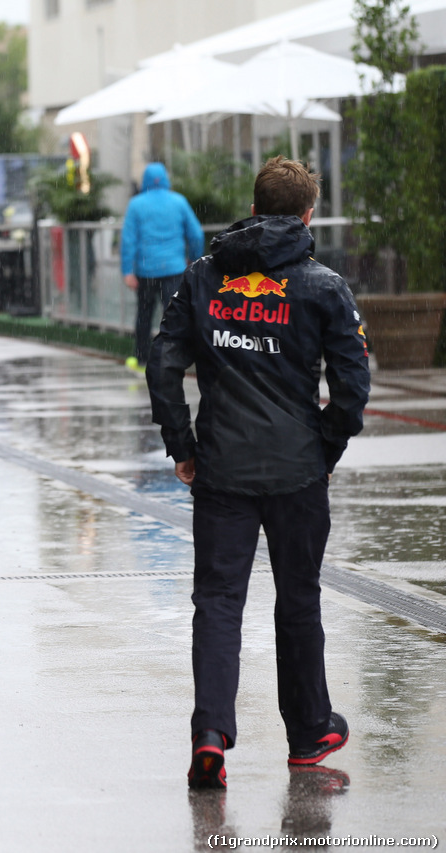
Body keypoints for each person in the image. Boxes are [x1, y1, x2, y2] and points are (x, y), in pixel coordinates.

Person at [146, 157, 370, 790]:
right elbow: (353, 387)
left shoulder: (201, 278)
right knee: (298, 600)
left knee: (218, 603)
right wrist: (323, 450)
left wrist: (182, 446)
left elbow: (163, 366)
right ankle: (309, 735)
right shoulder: (324, 286)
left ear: (254, 205)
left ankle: (211, 736)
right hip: (298, 473)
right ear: (307, 215)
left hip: (221, 469)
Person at [120, 162, 204, 372]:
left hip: (145, 271)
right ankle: (173, 360)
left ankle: (141, 360)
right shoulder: (179, 202)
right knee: (173, 317)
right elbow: (196, 234)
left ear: (145, 181)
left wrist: (127, 271)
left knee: (144, 316)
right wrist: (193, 259)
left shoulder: (136, 205)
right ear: (166, 179)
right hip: (174, 270)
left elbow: (128, 240)